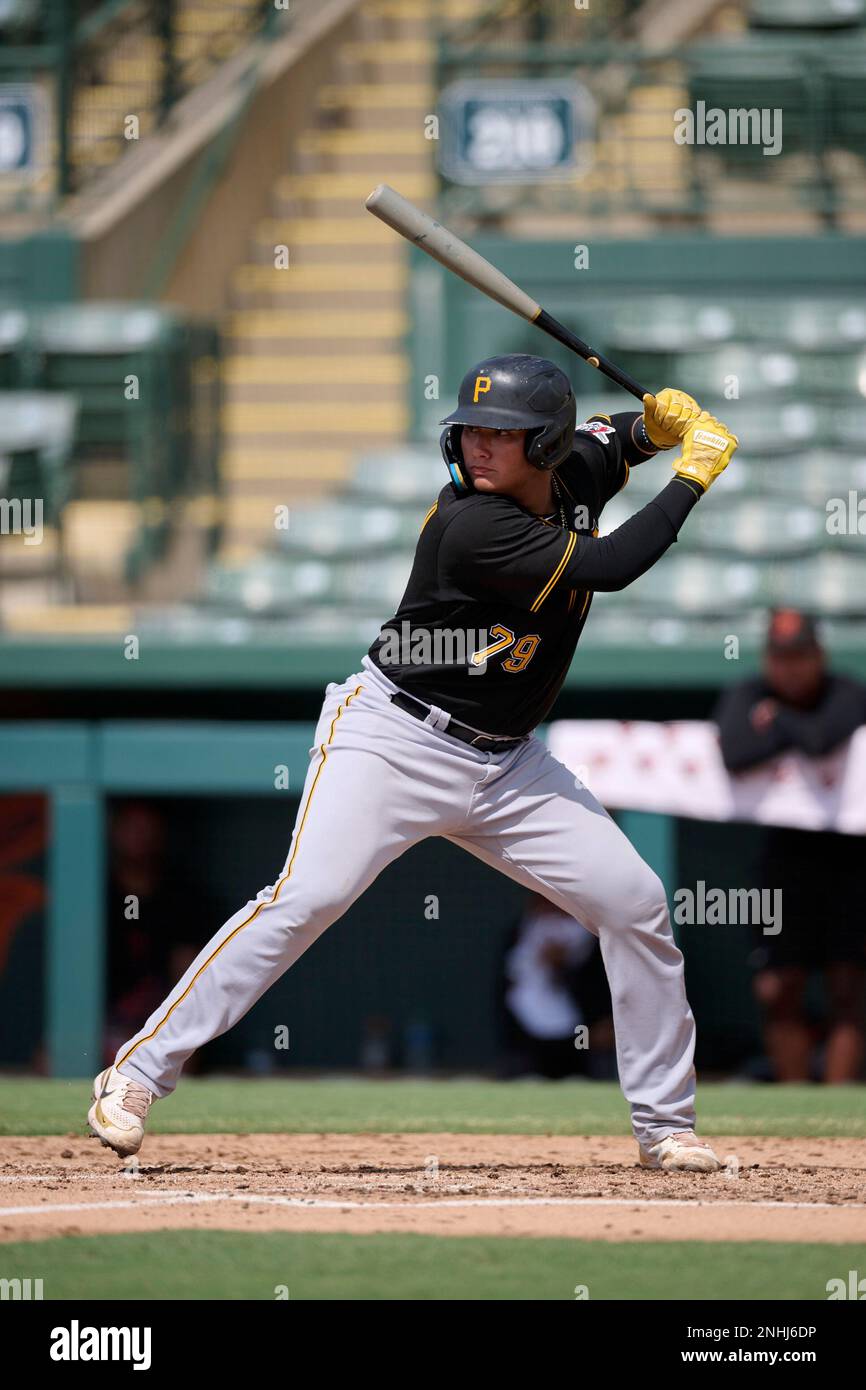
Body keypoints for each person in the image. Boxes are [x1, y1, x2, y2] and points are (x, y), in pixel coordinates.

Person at [87, 354, 737, 1173]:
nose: (478, 447)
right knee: (306, 897)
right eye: (470, 430)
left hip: (509, 767)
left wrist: (652, 430)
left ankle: (665, 1127)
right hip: (394, 740)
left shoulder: (571, 470)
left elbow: (611, 442)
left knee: (636, 900)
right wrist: (695, 472)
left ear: (545, 445)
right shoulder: (473, 525)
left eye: (502, 434)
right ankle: (138, 1073)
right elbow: (612, 566)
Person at [714, 609, 866, 1082]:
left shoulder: (845, 691)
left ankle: (836, 1105)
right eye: (780, 657)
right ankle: (793, 1101)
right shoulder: (747, 693)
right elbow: (735, 753)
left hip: (852, 860)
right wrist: (787, 730)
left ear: (818, 655)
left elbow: (822, 739)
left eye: (800, 656)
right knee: (778, 985)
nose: (790, 668)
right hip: (782, 860)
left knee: (849, 984)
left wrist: (778, 720)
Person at [500, 892, 615, 1080]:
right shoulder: (522, 931)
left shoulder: (592, 936)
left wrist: (604, 1019)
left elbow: (595, 980)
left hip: (580, 1029)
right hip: (526, 1028)